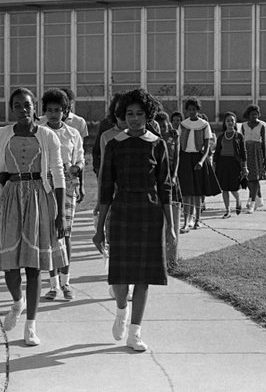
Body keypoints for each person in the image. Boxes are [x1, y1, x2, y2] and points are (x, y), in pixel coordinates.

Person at [0, 87, 67, 346]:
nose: (23, 110)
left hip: (40, 198)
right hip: (11, 198)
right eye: (17, 106)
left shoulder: (47, 136)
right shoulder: (2, 134)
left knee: (34, 266)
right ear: (11, 109)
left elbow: (58, 175)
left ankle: (31, 327)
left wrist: (60, 214)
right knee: (11, 265)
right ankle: (17, 303)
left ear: (35, 107)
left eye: (27, 105)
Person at [93, 88, 176, 351]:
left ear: (148, 115)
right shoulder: (115, 144)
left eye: (140, 113)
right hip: (123, 211)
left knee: (143, 277)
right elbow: (106, 188)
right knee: (120, 274)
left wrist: (171, 227)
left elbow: (166, 187)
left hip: (150, 214)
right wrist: (98, 229)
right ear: (122, 116)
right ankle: (121, 310)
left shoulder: (157, 144)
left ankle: (135, 333)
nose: (135, 119)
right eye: (129, 113)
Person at [40, 88, 85, 301]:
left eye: (58, 110)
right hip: (44, 186)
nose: (53, 114)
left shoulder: (73, 134)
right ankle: (52, 285)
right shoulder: (38, 132)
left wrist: (77, 169)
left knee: (65, 234)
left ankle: (66, 283)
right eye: (49, 110)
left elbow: (80, 159)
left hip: (67, 187)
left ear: (65, 111)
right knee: (49, 236)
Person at [177, 97, 221, 232]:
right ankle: (186, 222)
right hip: (184, 158)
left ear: (197, 110)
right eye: (189, 109)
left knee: (197, 192)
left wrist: (201, 161)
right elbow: (179, 144)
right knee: (186, 192)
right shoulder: (183, 124)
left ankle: (197, 220)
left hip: (198, 158)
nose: (191, 112)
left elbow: (207, 146)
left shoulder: (204, 124)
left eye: (194, 109)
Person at [155, 111, 182, 269]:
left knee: (174, 215)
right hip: (159, 180)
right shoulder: (155, 139)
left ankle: (172, 258)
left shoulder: (174, 136)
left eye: (166, 125)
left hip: (172, 178)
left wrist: (174, 176)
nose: (164, 128)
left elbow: (177, 158)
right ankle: (160, 257)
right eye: (161, 126)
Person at [213, 112, 248, 218]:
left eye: (232, 120)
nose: (230, 122)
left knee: (233, 188)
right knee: (224, 188)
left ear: (235, 122)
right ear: (225, 123)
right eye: (228, 120)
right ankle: (227, 210)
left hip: (234, 164)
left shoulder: (239, 136)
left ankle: (238, 200)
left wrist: (245, 167)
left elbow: (243, 152)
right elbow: (217, 153)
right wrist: (214, 166)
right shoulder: (221, 137)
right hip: (222, 164)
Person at [241, 104, 266, 213]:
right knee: (248, 177)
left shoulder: (262, 125)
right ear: (248, 115)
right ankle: (257, 198)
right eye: (252, 114)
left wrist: (265, 158)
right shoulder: (243, 125)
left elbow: (264, 142)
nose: (254, 116)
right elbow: (242, 140)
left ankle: (252, 202)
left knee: (255, 178)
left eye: (256, 114)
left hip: (257, 151)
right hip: (247, 151)